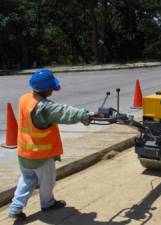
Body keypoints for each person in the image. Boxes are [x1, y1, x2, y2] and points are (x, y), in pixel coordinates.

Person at [8, 68, 97, 221]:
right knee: (47, 181)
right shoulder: (44, 108)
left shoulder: (25, 98)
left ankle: (15, 207)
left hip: (24, 152)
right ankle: (48, 204)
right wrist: (85, 114)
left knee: (27, 179)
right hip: (41, 156)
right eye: (52, 88)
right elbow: (64, 112)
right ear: (48, 89)